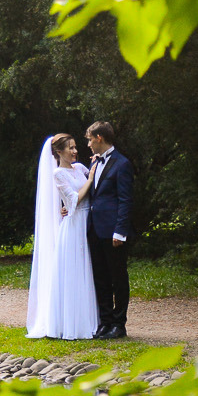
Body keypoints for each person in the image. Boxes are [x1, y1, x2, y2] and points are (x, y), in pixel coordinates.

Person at [26, 133, 100, 340]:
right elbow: (74, 199)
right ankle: (72, 324)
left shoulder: (80, 169)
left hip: (87, 221)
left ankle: (93, 321)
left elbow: (93, 183)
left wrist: (95, 167)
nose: (75, 151)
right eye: (71, 148)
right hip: (74, 226)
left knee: (88, 271)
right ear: (59, 152)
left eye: (76, 147)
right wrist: (90, 179)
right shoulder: (58, 174)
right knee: (75, 272)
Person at [83, 121, 133, 339]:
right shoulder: (94, 163)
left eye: (89, 139)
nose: (88, 144)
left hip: (113, 232)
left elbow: (125, 200)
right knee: (100, 277)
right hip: (94, 229)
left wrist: (120, 231)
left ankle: (119, 324)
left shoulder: (122, 164)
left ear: (99, 138)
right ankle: (105, 321)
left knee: (118, 278)